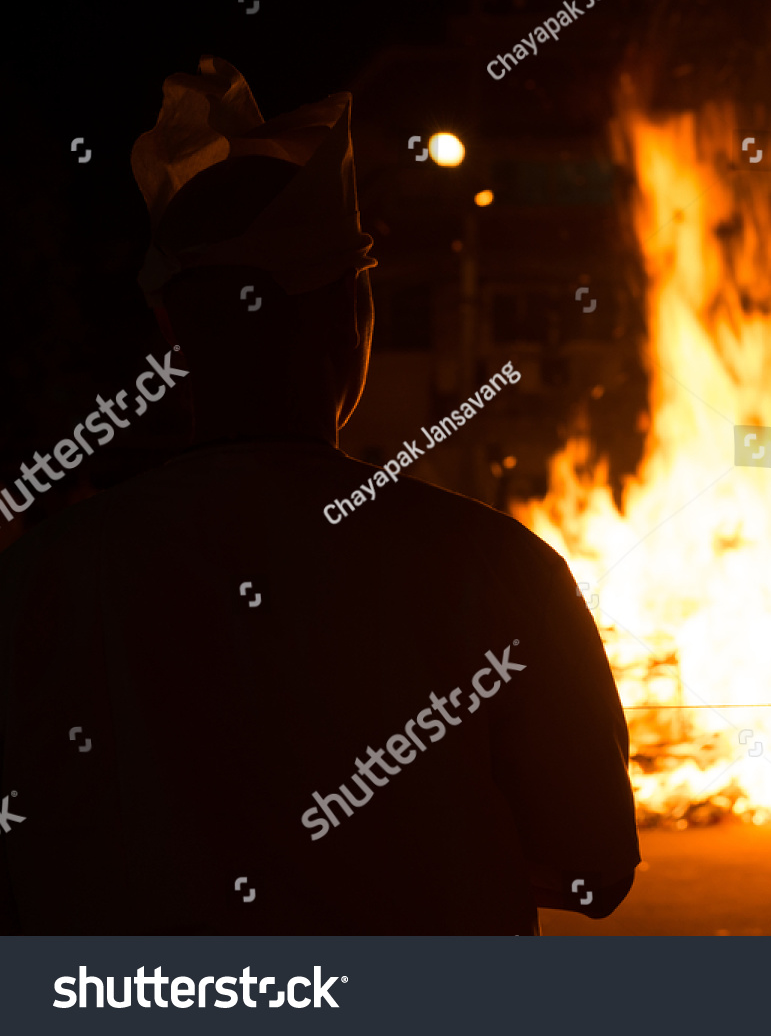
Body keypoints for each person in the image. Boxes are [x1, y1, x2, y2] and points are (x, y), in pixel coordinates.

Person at [0, 56, 638, 933]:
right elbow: (594, 868)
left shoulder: (42, 577)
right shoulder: (501, 571)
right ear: (353, 318)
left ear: (170, 332)